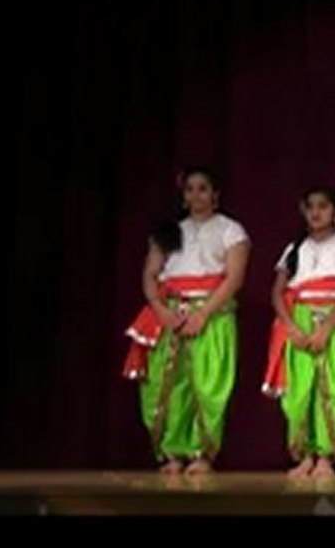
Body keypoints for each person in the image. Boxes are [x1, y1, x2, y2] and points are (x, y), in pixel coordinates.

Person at [122, 167, 250, 475]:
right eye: (190, 189)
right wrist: (161, 310)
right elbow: (150, 276)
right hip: (169, 315)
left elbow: (234, 278)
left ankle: (202, 454)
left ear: (216, 194)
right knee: (167, 386)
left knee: (208, 385)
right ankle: (172, 453)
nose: (196, 195)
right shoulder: (168, 231)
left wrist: (203, 313)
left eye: (203, 188)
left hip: (212, 315)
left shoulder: (231, 230)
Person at [261, 187, 335, 479]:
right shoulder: (294, 250)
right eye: (311, 207)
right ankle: (304, 454)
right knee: (299, 391)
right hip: (298, 324)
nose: (316, 212)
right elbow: (277, 293)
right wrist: (291, 326)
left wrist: (327, 328)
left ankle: (326, 457)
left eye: (323, 206)